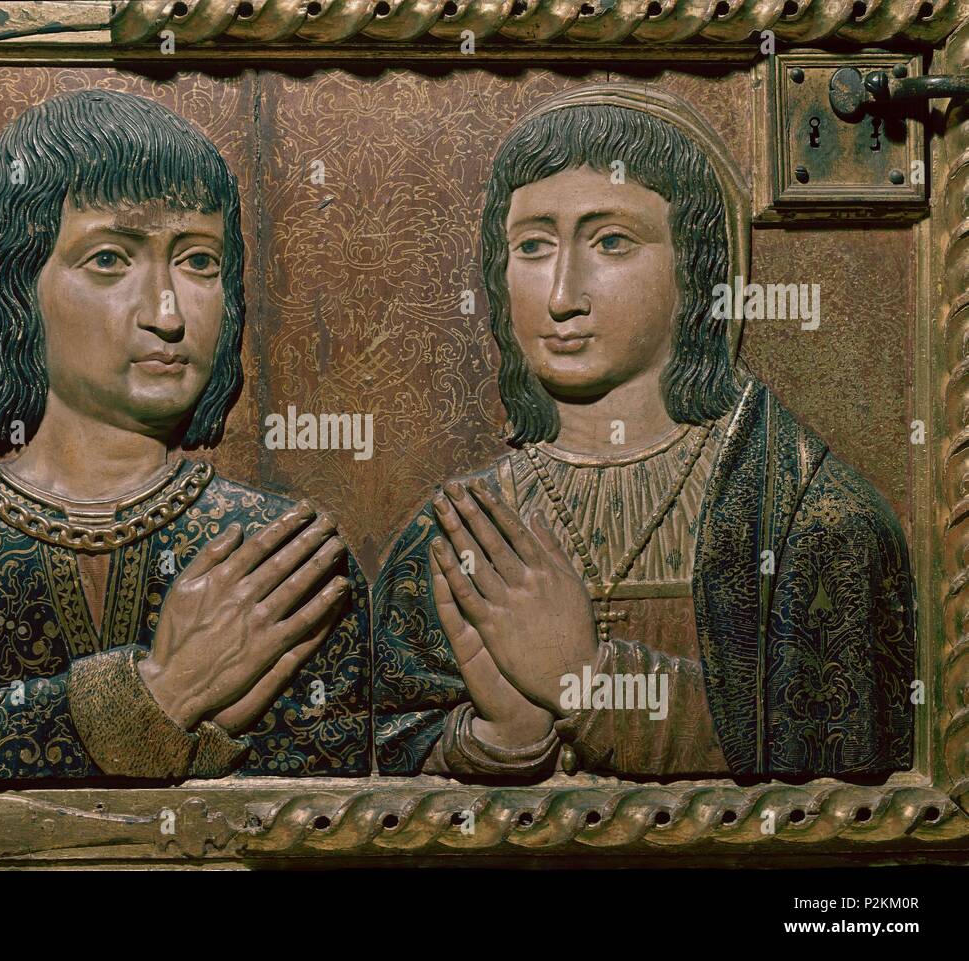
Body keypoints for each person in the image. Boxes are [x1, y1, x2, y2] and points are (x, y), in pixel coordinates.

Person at [0, 89, 370, 782]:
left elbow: (323, 815)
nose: (165, 312)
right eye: (109, 259)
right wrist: (162, 693)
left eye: (198, 262)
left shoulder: (282, 564)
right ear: (15, 284)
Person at [374, 84, 914, 781]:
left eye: (612, 241)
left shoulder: (811, 520)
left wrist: (587, 682)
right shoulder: (452, 537)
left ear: (696, 266)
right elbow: (380, 773)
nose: (563, 294)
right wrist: (504, 733)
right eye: (533, 245)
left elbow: (843, 771)